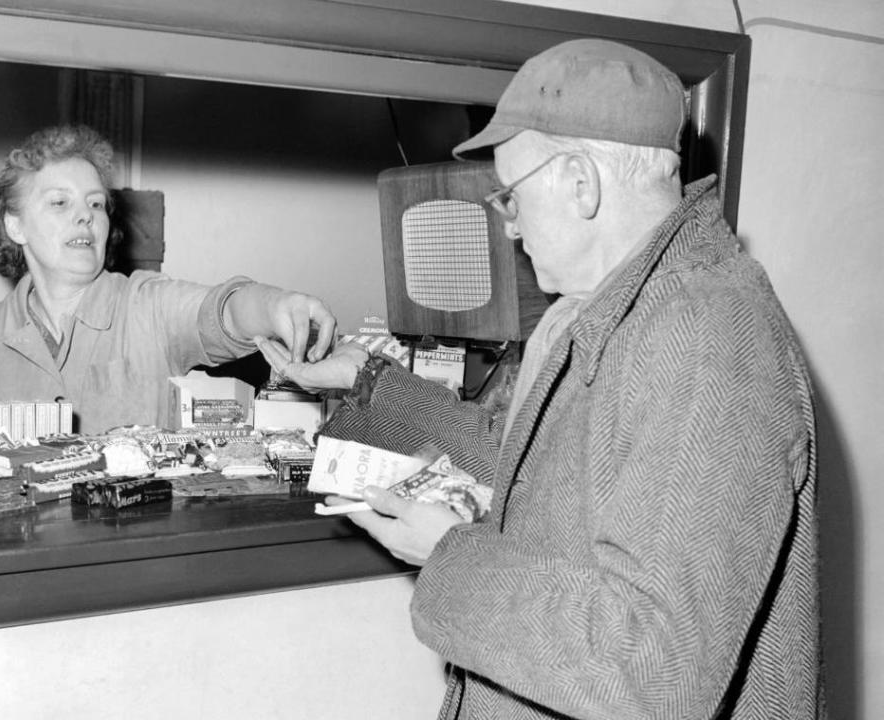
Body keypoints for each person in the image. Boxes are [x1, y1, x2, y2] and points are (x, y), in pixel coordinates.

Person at [257, 39, 824, 719]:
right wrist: (365, 380)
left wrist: (447, 555)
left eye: (509, 197)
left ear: (580, 182)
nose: (509, 227)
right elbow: (528, 463)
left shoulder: (705, 337)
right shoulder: (598, 309)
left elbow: (651, 670)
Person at [0, 124, 336, 435]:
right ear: (15, 225)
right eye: (60, 202)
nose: (86, 216)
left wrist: (275, 306)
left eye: (96, 203)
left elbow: (224, 312)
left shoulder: (148, 305)